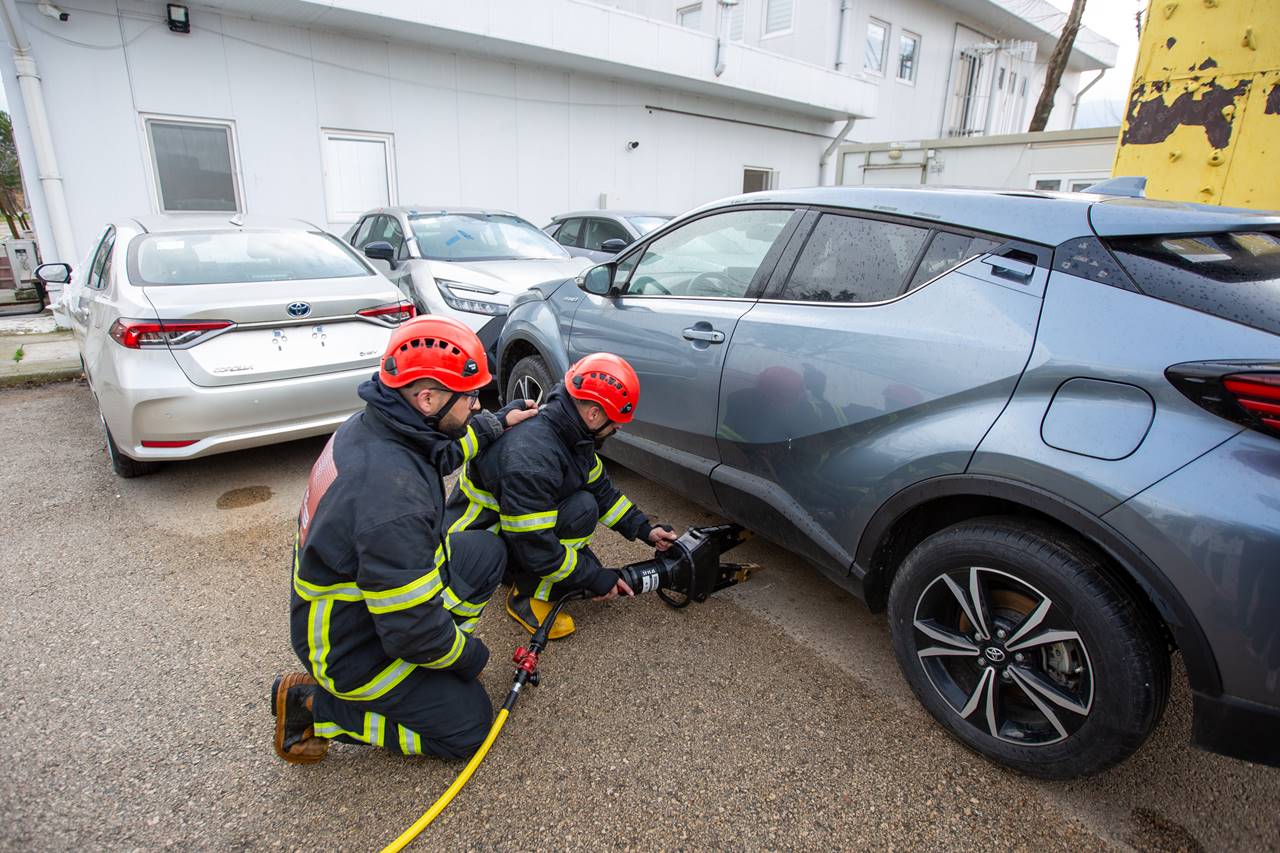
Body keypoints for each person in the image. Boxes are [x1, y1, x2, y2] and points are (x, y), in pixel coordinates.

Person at [272, 316, 536, 765]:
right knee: (470, 726)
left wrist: (496, 423)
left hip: (378, 601)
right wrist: (467, 658)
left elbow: (441, 449)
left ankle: (434, 663)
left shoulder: (383, 426)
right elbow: (410, 632)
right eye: (470, 395)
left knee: (486, 551)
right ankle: (316, 708)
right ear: (428, 397)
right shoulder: (392, 500)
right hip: (351, 646)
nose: (476, 405)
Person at [445, 352, 677, 640]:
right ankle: (526, 598)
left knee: (585, 505)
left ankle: (535, 580)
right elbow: (534, 544)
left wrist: (645, 529)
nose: (618, 428)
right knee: (577, 563)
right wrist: (592, 576)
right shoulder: (532, 456)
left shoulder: (572, 433)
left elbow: (602, 492)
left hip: (513, 530)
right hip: (481, 542)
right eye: (616, 421)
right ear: (593, 413)